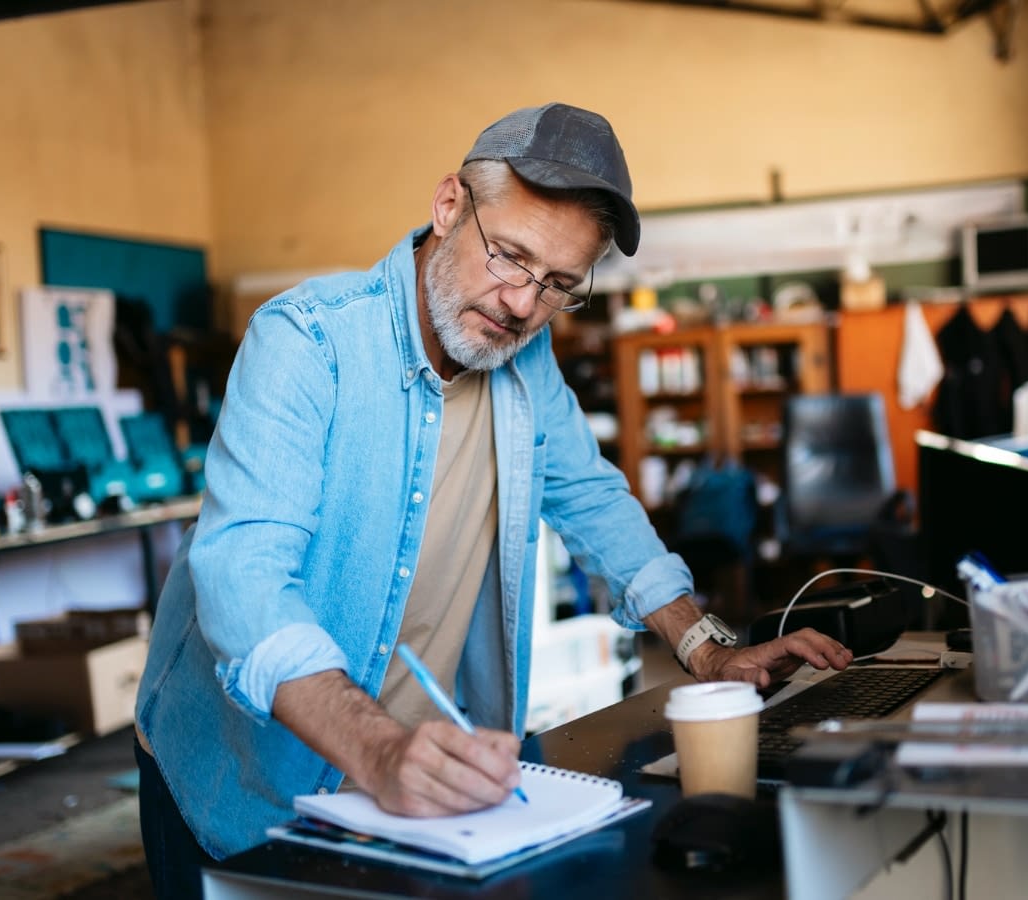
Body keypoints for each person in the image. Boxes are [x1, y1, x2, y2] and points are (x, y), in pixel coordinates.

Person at [132, 102, 853, 898]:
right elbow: (243, 577)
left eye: (557, 285)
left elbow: (592, 499)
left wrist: (707, 648)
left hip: (409, 782)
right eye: (510, 257)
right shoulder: (307, 342)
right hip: (240, 776)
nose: (521, 305)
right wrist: (378, 748)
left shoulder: (525, 358)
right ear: (449, 205)